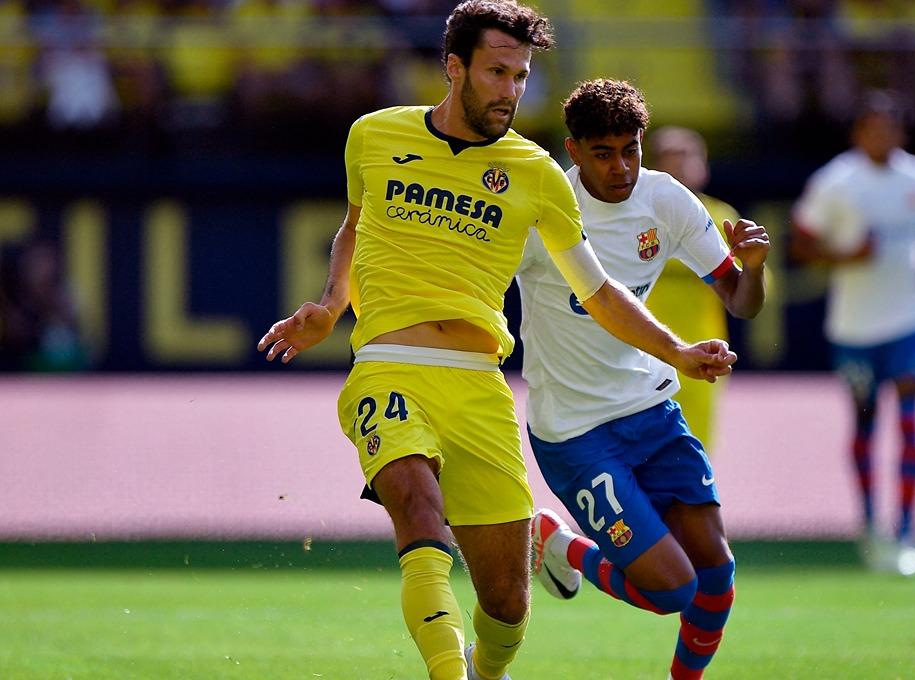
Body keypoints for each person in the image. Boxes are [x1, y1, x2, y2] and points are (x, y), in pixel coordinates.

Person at [255, 5, 736, 680]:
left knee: (507, 604)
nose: (512, 90)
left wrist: (677, 353)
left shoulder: (535, 173)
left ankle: (488, 667)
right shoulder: (374, 135)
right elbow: (355, 226)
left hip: (480, 385)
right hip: (390, 366)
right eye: (498, 72)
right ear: (455, 68)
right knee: (419, 509)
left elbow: (599, 293)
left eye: (522, 75)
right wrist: (331, 304)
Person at [518, 79, 770, 680]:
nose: (621, 166)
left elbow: (742, 300)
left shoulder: (666, 200)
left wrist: (754, 269)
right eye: (603, 153)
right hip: (576, 432)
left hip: (652, 412)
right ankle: (560, 543)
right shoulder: (542, 208)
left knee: (716, 574)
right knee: (672, 589)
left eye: (630, 148)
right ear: (573, 152)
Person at [789, 90, 915, 577]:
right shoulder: (835, 183)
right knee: (864, 424)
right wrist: (846, 257)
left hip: (912, 320)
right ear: (858, 133)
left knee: (911, 418)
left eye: (889, 127)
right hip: (855, 326)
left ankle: (906, 528)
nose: (881, 136)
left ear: (902, 132)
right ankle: (869, 522)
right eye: (871, 127)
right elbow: (801, 244)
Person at [644, 126, 741, 457]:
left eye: (688, 158)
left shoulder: (721, 217)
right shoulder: (636, 215)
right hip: (642, 348)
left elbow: (752, 290)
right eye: (671, 160)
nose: (681, 168)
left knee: (695, 447)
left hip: (702, 351)